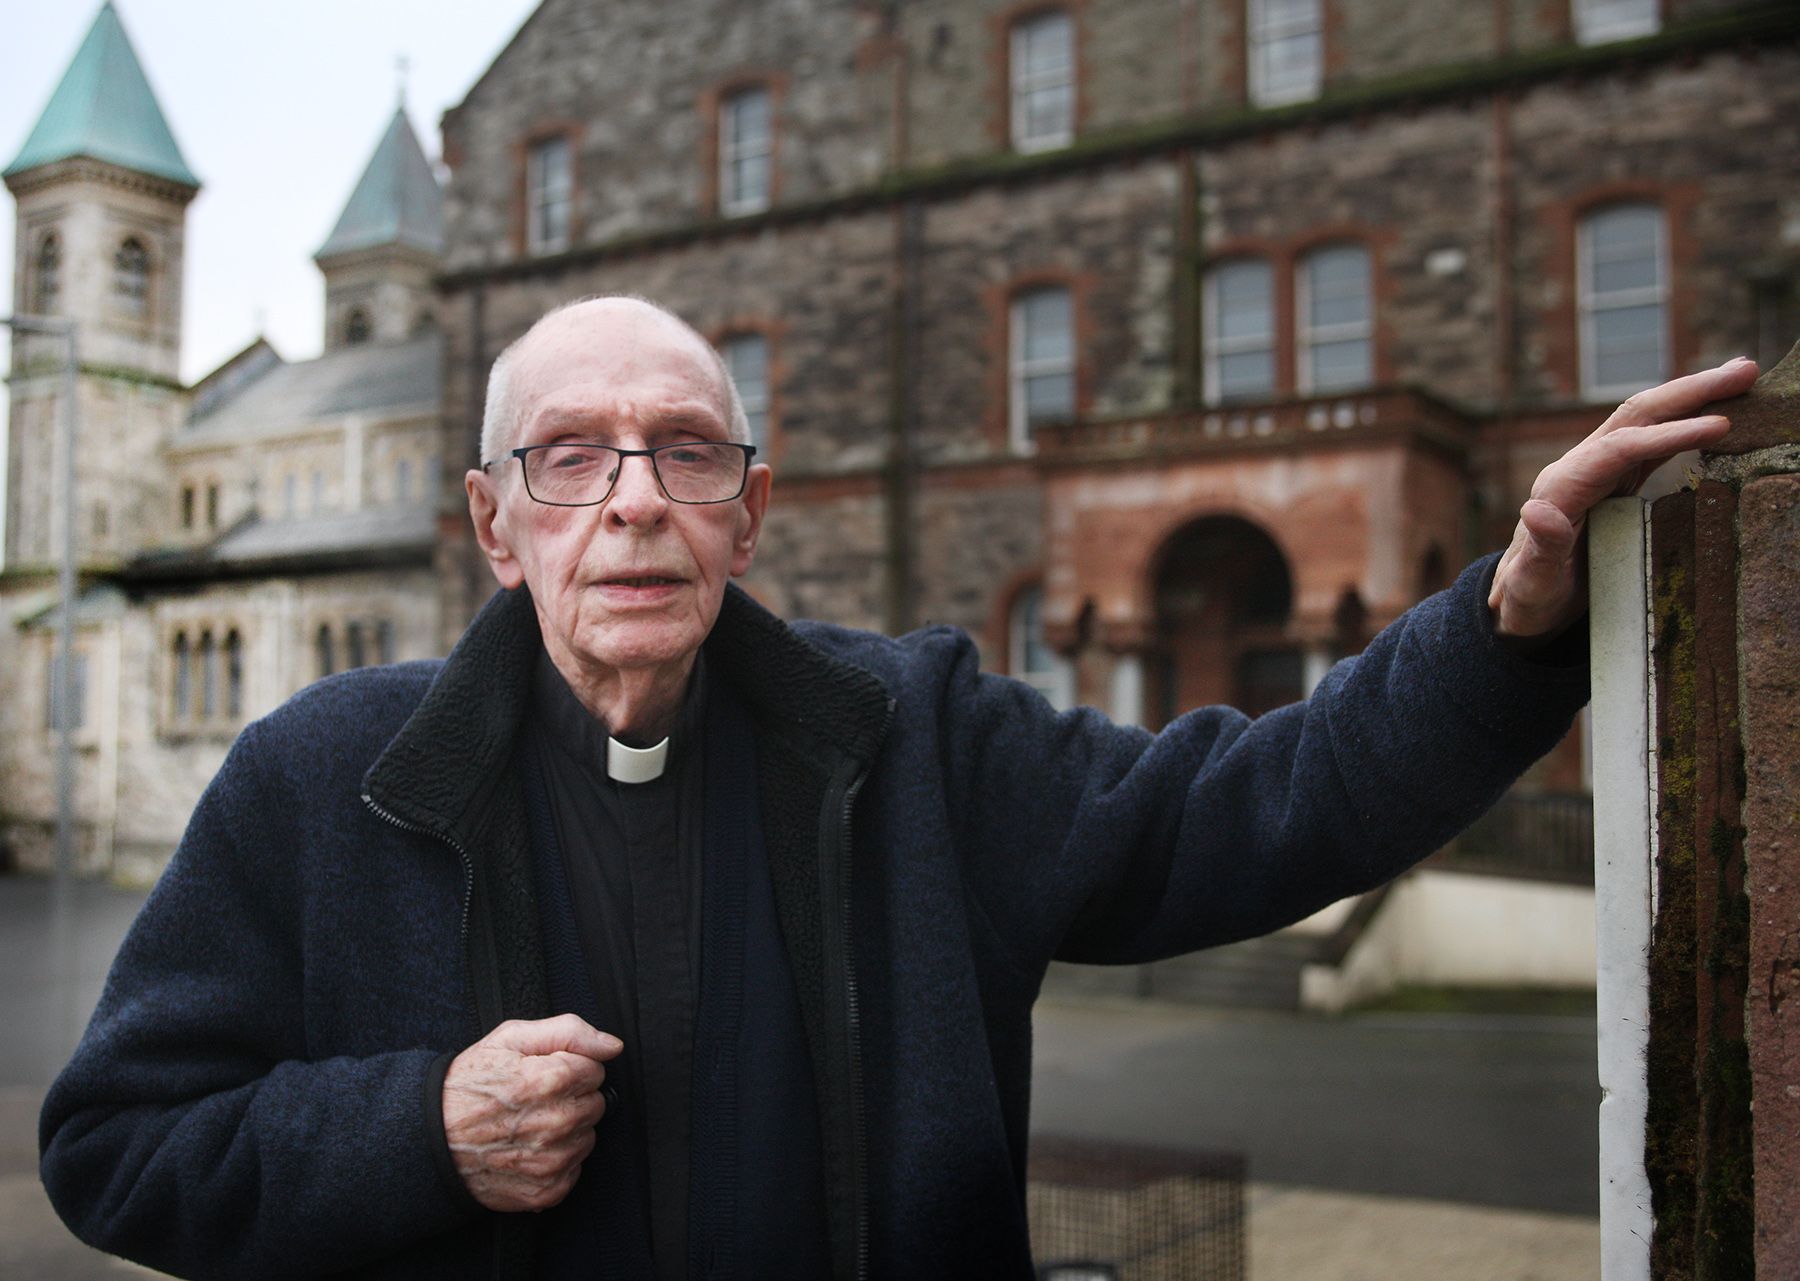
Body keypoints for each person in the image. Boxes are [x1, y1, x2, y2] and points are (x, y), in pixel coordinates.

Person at [38, 296, 1757, 1281]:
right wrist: (412, 1128)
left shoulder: (916, 737)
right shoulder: (316, 779)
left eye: (688, 451)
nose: (635, 500)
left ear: (748, 510)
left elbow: (1253, 806)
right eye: (571, 457)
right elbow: (114, 1147)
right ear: (498, 525)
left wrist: (1510, 619)